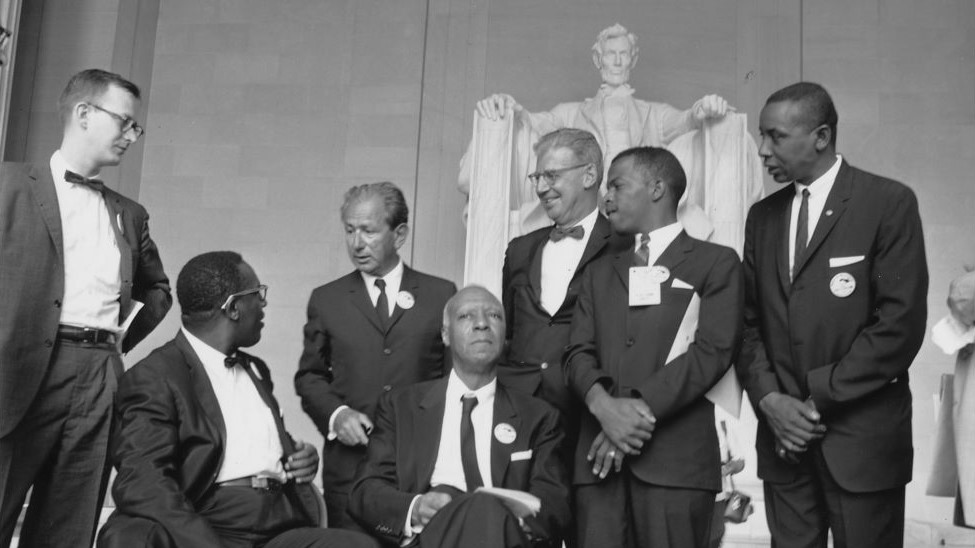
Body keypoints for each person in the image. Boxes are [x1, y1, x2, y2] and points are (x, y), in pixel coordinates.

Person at [737, 82, 928, 548]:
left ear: (821, 137)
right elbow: (745, 325)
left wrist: (813, 400)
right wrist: (770, 402)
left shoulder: (888, 203)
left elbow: (897, 328)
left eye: (775, 136)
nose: (762, 150)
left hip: (861, 444)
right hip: (784, 445)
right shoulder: (762, 217)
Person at [97, 252, 379, 548]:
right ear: (233, 308)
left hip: (276, 523)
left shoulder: (257, 369)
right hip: (207, 523)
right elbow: (143, 481)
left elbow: (244, 443)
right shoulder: (155, 376)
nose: (264, 303)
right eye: (258, 294)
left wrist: (299, 456)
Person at [0, 68, 171, 548]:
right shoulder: (8, 185)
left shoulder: (129, 213)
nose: (131, 136)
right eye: (125, 122)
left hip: (99, 375)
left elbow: (158, 289)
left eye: (136, 127)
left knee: (69, 527)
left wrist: (119, 337)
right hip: (16, 371)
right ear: (83, 114)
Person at [564, 146, 743, 548]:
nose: (606, 197)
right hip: (597, 469)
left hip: (676, 468)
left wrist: (630, 417)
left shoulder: (716, 262)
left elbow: (712, 352)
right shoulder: (597, 273)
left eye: (617, 185)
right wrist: (603, 407)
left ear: (657, 188)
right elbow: (576, 352)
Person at [349, 286, 570, 547]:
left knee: (484, 510)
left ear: (505, 334)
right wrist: (416, 506)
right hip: (427, 537)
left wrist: (502, 522)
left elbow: (554, 503)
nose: (482, 324)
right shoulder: (400, 406)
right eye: (466, 316)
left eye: (494, 316)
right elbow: (366, 491)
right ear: (445, 334)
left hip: (505, 538)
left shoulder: (539, 416)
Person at [295, 182, 456, 529]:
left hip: (418, 470)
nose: (356, 243)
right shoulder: (327, 299)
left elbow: (452, 381)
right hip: (349, 474)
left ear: (399, 234)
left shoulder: (440, 294)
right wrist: (336, 416)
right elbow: (309, 376)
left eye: (368, 231)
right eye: (350, 230)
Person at [501, 128, 629, 442]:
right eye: (537, 178)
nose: (542, 188)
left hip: (592, 419)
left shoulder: (625, 246)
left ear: (588, 175)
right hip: (521, 417)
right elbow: (510, 332)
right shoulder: (519, 249)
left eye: (552, 176)